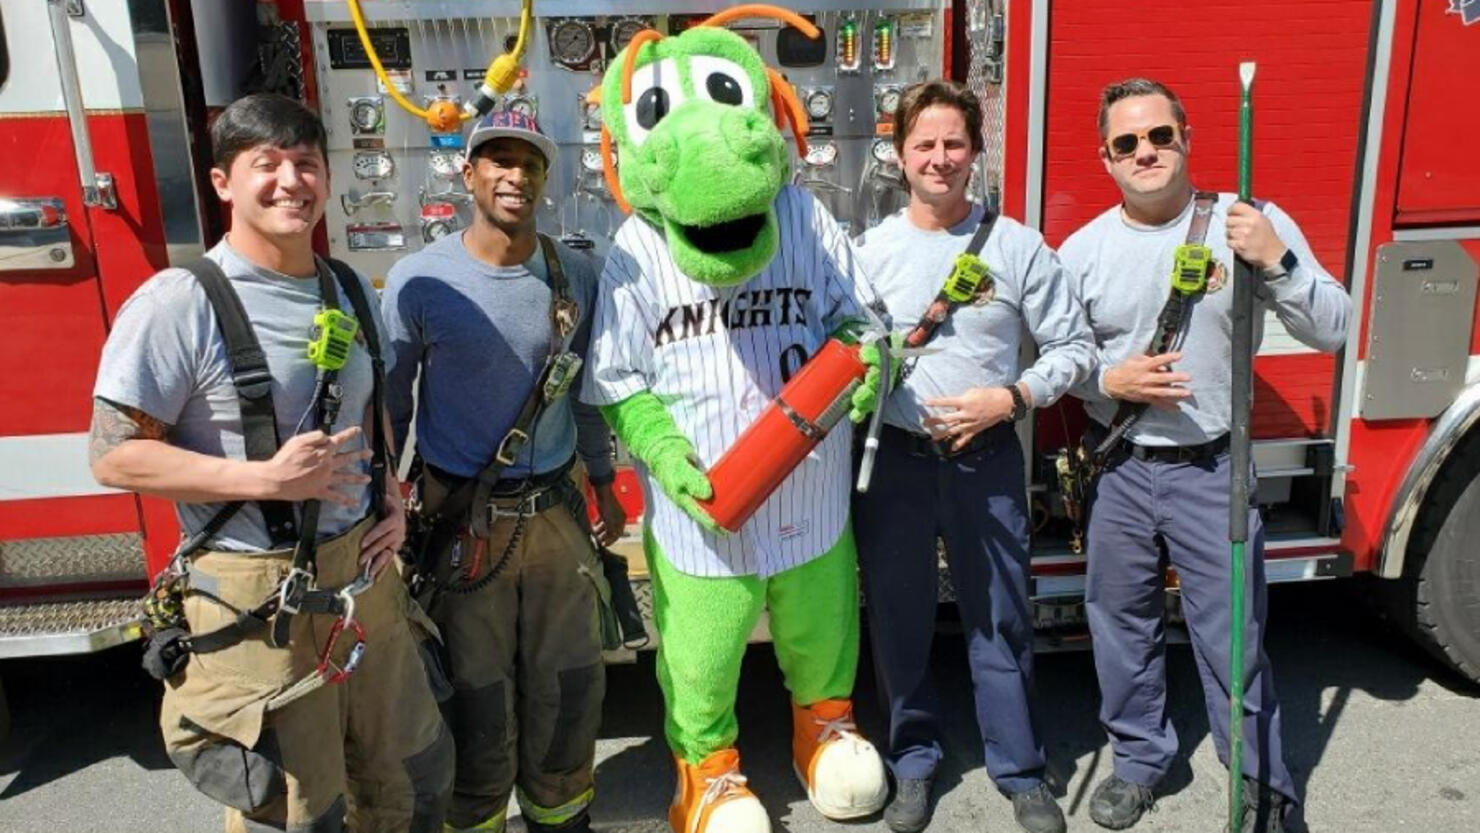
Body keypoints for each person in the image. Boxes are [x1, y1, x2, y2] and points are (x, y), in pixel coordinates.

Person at [89, 92, 452, 832]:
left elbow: (367, 400)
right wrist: (262, 479)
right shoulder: (178, 303)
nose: (292, 181)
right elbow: (112, 456)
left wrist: (390, 492)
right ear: (224, 182)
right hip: (261, 603)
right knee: (296, 808)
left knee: (409, 779)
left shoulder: (346, 284)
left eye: (307, 163)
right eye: (268, 164)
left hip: (364, 583)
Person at [1059, 78, 1351, 833]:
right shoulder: (1082, 251)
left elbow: (1334, 328)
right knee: (1120, 626)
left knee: (1233, 642)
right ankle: (1141, 759)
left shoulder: (1246, 222)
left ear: (1186, 135)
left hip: (1214, 469)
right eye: (1127, 143)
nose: (1145, 152)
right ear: (1106, 157)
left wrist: (1278, 257)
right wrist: (1107, 377)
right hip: (1119, 469)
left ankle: (1259, 781)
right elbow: (1054, 359)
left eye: (1160, 135)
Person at [851, 79, 1095, 833]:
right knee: (898, 618)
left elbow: (1075, 348)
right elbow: (848, 356)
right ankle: (913, 760)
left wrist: (1012, 397)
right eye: (923, 143)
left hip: (986, 460)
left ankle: (1019, 769)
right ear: (899, 155)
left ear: (976, 152)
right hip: (895, 463)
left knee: (1001, 616)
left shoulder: (1017, 247)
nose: (939, 157)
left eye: (954, 142)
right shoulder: (868, 254)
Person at [381, 109, 625, 833]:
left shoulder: (573, 274)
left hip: (555, 517)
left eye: (529, 162)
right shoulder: (420, 281)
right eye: (498, 160)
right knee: (476, 697)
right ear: (470, 172)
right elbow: (388, 408)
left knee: (569, 687)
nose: (515, 174)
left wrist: (605, 479)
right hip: (463, 526)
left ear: (545, 177)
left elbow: (581, 395)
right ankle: (480, 816)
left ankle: (561, 814)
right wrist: (382, 507)